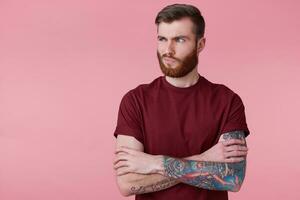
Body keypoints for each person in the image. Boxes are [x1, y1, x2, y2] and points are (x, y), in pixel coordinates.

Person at [113, 3, 250, 200]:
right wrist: (205, 159)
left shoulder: (228, 101)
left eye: (179, 39)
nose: (168, 50)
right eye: (162, 39)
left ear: (200, 45)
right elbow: (127, 184)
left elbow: (232, 179)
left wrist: (154, 163)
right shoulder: (135, 101)